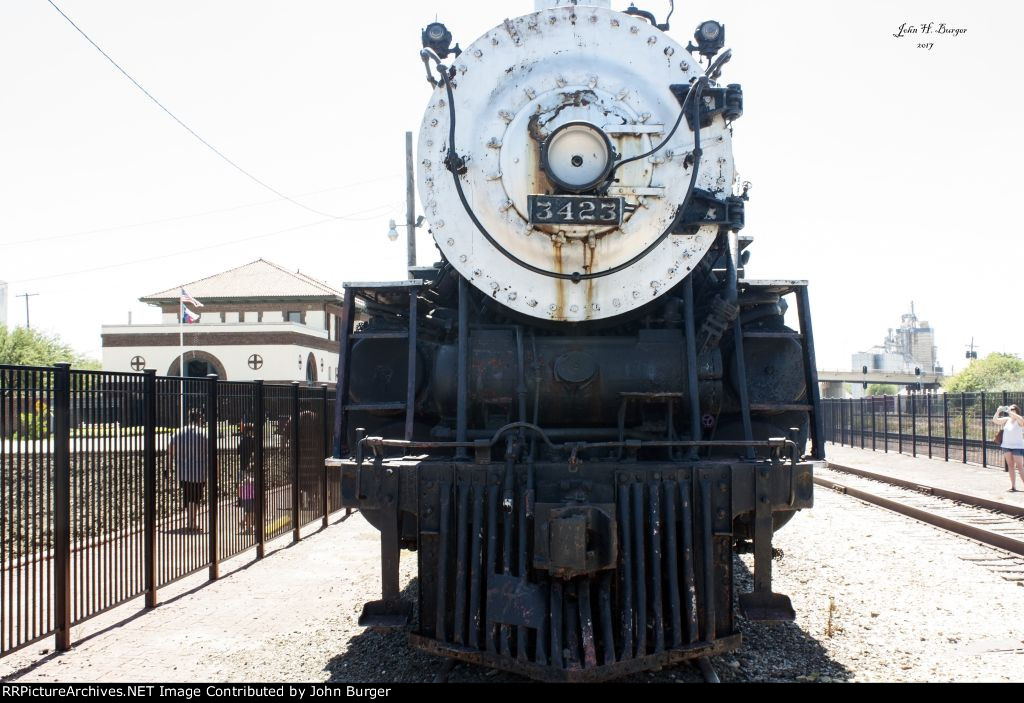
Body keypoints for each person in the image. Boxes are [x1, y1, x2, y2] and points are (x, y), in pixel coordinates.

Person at [167, 408, 209, 532]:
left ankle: (189, 520)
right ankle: (192, 522)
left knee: (187, 495)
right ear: (200, 419)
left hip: (183, 471)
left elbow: (170, 452)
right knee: (195, 497)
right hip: (199, 471)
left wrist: (167, 469)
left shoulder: (178, 433)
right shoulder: (203, 434)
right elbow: (211, 454)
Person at [992, 404, 1024, 491]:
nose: (1010, 411)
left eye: (1012, 409)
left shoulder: (1019, 419)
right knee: (1010, 466)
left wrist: (1012, 413)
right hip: (1006, 446)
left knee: (1020, 466)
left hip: (1018, 447)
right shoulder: (1007, 419)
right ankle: (1013, 486)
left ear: (1016, 410)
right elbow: (995, 420)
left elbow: (1022, 421)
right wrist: (998, 411)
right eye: (1009, 409)